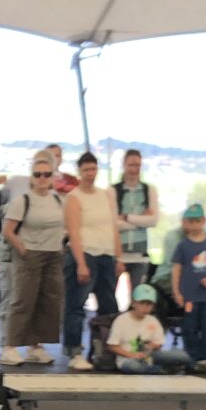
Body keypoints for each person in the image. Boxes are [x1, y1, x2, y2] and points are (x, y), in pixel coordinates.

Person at [0, 150, 65, 366]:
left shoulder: (58, 200)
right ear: (32, 177)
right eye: (38, 174)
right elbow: (8, 230)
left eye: (47, 174)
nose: (42, 178)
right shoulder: (23, 200)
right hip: (30, 255)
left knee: (47, 302)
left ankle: (36, 346)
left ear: (53, 176)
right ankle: (9, 347)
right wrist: (24, 249)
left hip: (53, 255)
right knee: (22, 301)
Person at [63, 151, 125, 371]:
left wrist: (119, 256)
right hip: (85, 253)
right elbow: (74, 232)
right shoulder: (74, 197)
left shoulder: (106, 195)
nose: (90, 173)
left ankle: (104, 351)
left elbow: (113, 226)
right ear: (80, 171)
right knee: (77, 305)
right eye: (86, 169)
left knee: (109, 306)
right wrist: (80, 262)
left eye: (93, 169)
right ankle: (74, 351)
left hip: (106, 254)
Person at [107, 284, 191, 374]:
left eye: (149, 304)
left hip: (150, 355)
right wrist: (132, 355)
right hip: (127, 358)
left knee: (183, 356)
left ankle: (185, 365)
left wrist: (152, 346)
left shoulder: (153, 320)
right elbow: (112, 346)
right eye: (142, 303)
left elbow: (159, 342)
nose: (145, 307)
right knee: (133, 366)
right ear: (134, 303)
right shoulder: (121, 320)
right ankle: (162, 369)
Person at [112, 148, 160, 293]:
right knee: (109, 297)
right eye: (131, 165)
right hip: (118, 254)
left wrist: (127, 217)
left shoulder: (149, 190)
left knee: (138, 297)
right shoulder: (113, 191)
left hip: (140, 255)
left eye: (137, 165)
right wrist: (140, 220)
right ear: (124, 165)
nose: (134, 169)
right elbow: (113, 223)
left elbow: (153, 221)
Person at [172, 203, 206, 369]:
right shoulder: (183, 245)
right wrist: (176, 292)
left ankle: (205, 356)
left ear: (203, 221)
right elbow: (176, 269)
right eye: (191, 221)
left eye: (197, 220)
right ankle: (191, 357)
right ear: (185, 223)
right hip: (189, 297)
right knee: (190, 327)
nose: (194, 224)